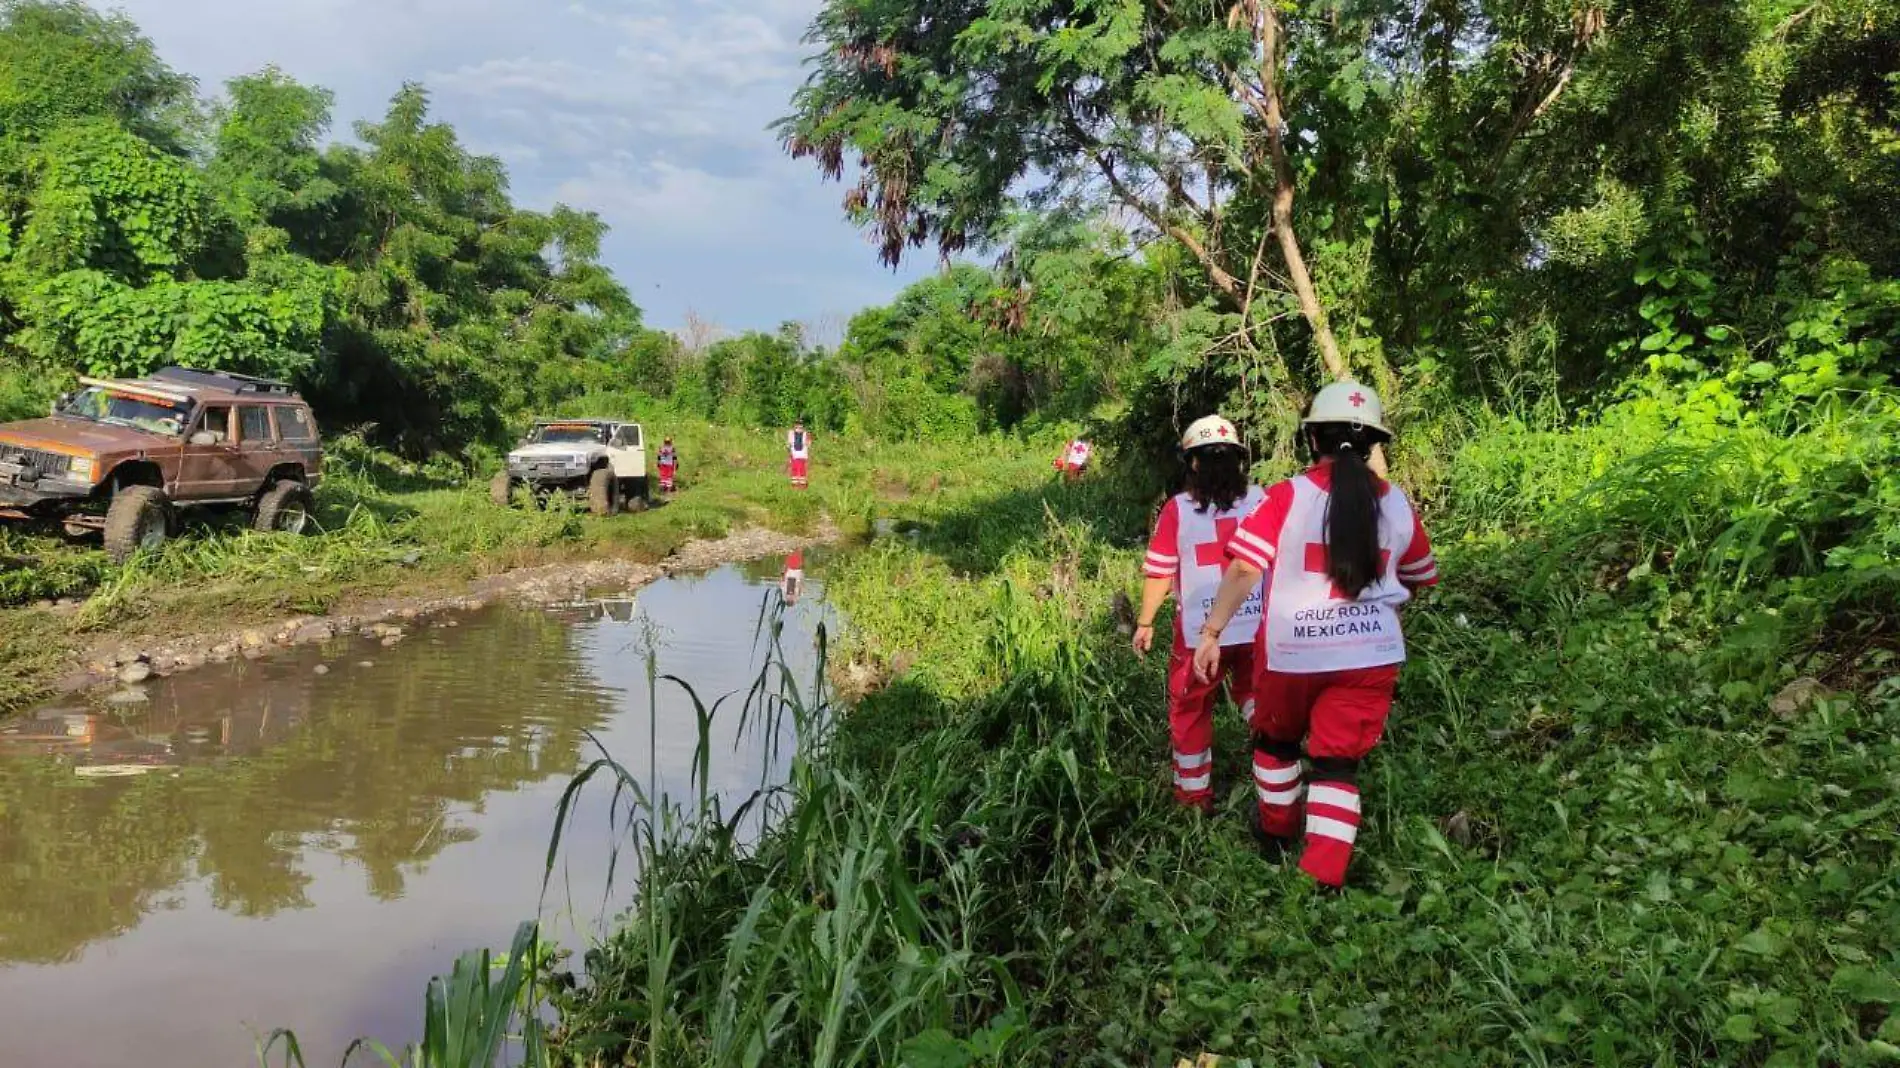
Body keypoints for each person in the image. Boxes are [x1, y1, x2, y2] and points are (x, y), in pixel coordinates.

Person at [1192, 382, 1439, 888]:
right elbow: (1419, 576)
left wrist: (1212, 631)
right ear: (1374, 444)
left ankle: (1277, 835)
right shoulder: (1396, 504)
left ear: (1312, 440)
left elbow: (1243, 569)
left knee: (1276, 742)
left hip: (1291, 656)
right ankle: (1322, 877)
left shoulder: (1286, 497)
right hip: (1370, 658)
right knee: (1336, 763)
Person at [1133, 415, 1265, 810]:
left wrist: (1145, 622)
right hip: (1257, 624)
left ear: (1192, 463)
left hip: (1199, 634)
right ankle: (1276, 765)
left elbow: (1159, 572)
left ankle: (1193, 798)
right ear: (1239, 460)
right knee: (1257, 695)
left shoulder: (1178, 510)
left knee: (1190, 707)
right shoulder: (1263, 499)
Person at [787, 421, 812, 489]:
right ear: (794, 427)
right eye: (797, 427)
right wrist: (789, 454)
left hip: (802, 454)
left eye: (800, 427)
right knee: (794, 468)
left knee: (802, 468)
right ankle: (795, 484)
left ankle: (802, 484)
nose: (799, 429)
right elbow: (789, 445)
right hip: (794, 454)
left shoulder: (806, 434)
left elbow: (809, 444)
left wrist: (808, 439)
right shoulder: (791, 434)